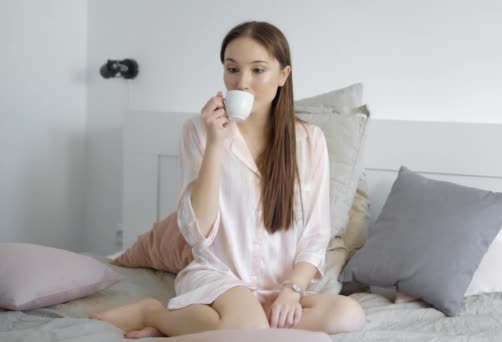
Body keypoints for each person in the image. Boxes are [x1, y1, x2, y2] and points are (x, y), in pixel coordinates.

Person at [90, 21, 366, 338]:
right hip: (219, 277)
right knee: (245, 326)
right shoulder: (198, 131)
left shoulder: (310, 140)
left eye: (258, 70)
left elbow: (316, 234)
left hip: (279, 285)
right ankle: (152, 312)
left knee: (348, 315)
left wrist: (292, 289)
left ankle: (209, 322)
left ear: (283, 75)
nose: (242, 83)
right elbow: (197, 232)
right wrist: (216, 145)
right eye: (232, 69)